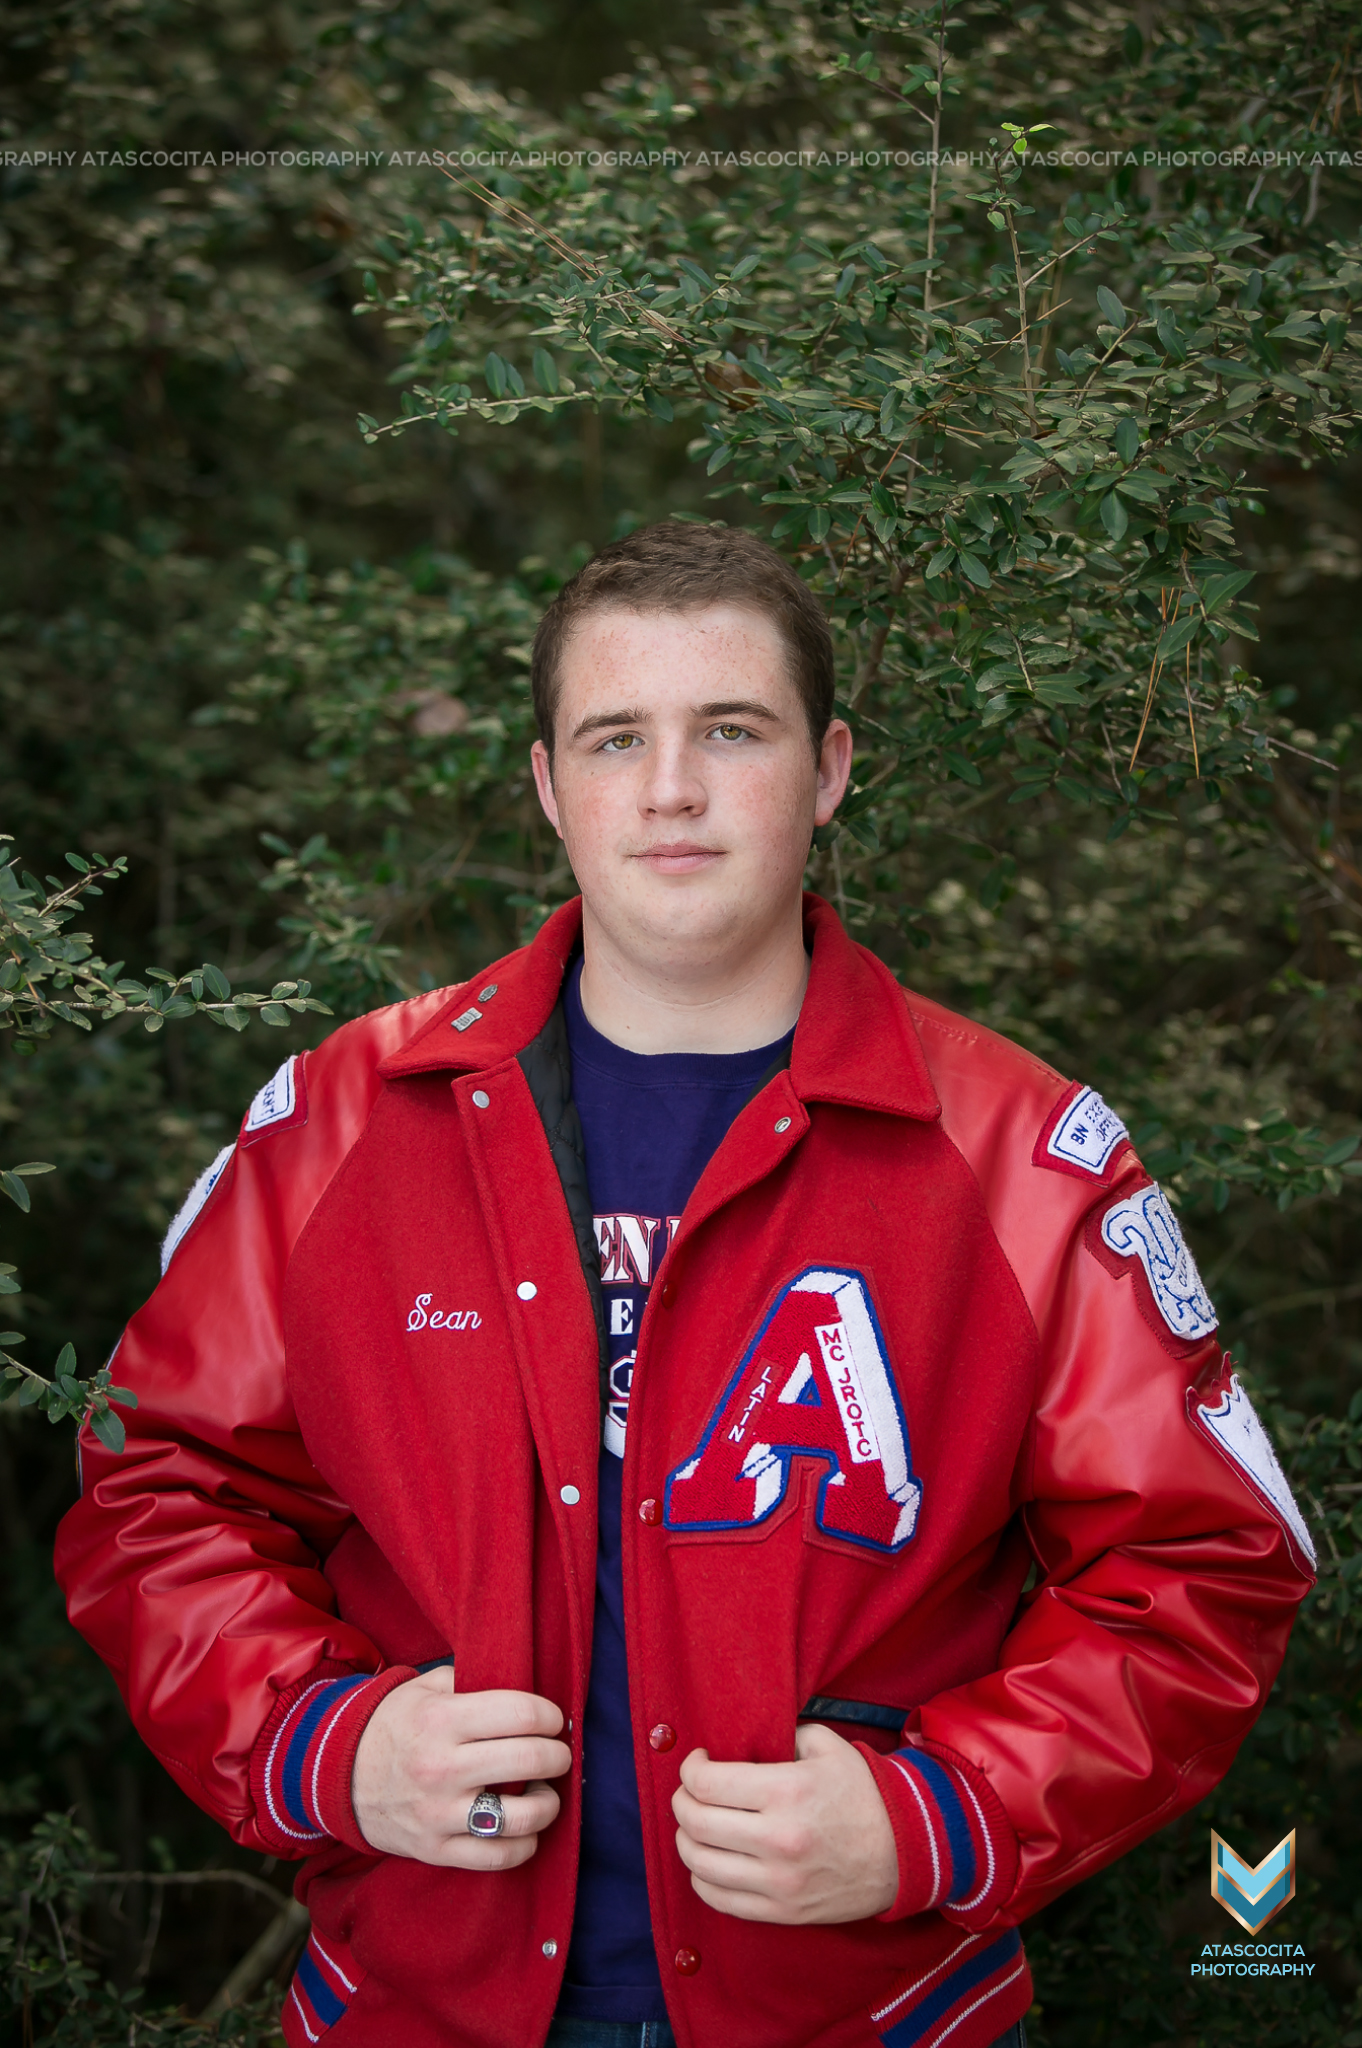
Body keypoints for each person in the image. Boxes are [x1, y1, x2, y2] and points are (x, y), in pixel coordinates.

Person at [55, 522, 1314, 2048]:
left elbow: (1200, 1566)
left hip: (864, 2011)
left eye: (731, 730)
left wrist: (939, 1814)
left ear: (830, 767)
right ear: (545, 785)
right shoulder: (342, 1124)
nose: (670, 787)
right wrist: (329, 1742)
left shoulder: (1024, 1160)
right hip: (415, 2002)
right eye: (614, 737)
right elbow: (155, 1480)